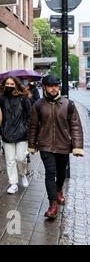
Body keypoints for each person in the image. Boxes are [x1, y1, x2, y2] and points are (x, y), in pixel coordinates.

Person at [28, 75, 84, 219]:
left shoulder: (68, 104)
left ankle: (59, 189)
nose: (53, 88)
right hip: (46, 146)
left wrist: (77, 146)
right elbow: (33, 126)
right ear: (44, 87)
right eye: (50, 86)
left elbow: (75, 126)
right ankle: (52, 205)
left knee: (61, 174)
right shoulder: (38, 105)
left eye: (56, 86)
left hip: (63, 145)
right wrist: (32, 144)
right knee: (49, 173)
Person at [0, 77, 31, 194]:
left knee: (20, 159)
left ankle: (22, 174)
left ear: (16, 85)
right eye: (7, 83)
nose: (9, 85)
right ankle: (13, 183)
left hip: (21, 134)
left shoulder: (24, 98)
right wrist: (1, 130)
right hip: (7, 134)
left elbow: (29, 116)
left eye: (12, 83)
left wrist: (25, 129)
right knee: (10, 160)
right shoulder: (1, 98)